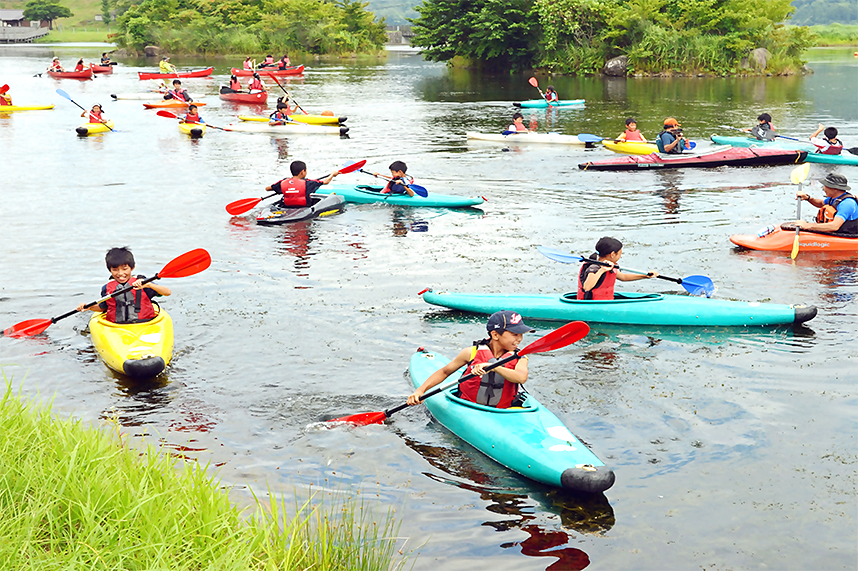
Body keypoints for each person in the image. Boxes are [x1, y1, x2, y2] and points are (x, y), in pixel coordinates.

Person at [407, 310, 533, 409]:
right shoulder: (471, 352)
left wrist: (493, 367)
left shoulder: (520, 357)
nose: (520, 339)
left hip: (503, 410)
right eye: (515, 334)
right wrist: (420, 390)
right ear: (495, 335)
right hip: (467, 406)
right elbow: (445, 372)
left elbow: (520, 377)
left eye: (521, 334)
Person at [76, 247, 171, 324]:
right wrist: (89, 307)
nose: (120, 273)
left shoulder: (143, 282)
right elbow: (103, 307)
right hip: (118, 326)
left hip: (146, 323)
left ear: (132, 267)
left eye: (125, 269)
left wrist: (149, 285)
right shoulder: (107, 288)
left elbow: (167, 292)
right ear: (110, 270)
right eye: (115, 270)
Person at [578, 237, 658, 300]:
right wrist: (602, 270)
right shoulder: (594, 268)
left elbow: (623, 277)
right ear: (613, 254)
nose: (620, 256)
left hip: (606, 302)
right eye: (620, 254)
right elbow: (587, 287)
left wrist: (645, 276)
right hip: (593, 305)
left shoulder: (609, 266)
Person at [790, 173, 858, 234]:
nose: (823, 188)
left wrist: (807, 225)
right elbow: (820, 203)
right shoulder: (834, 198)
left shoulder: (847, 204)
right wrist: (808, 198)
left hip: (847, 236)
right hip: (837, 233)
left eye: (825, 186)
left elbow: (834, 226)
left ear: (835, 188)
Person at [265, 160, 340, 208]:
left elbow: (267, 188)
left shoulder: (283, 182)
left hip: (287, 207)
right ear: (302, 172)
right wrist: (332, 174)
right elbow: (326, 181)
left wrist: (287, 189)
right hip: (304, 208)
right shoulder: (308, 183)